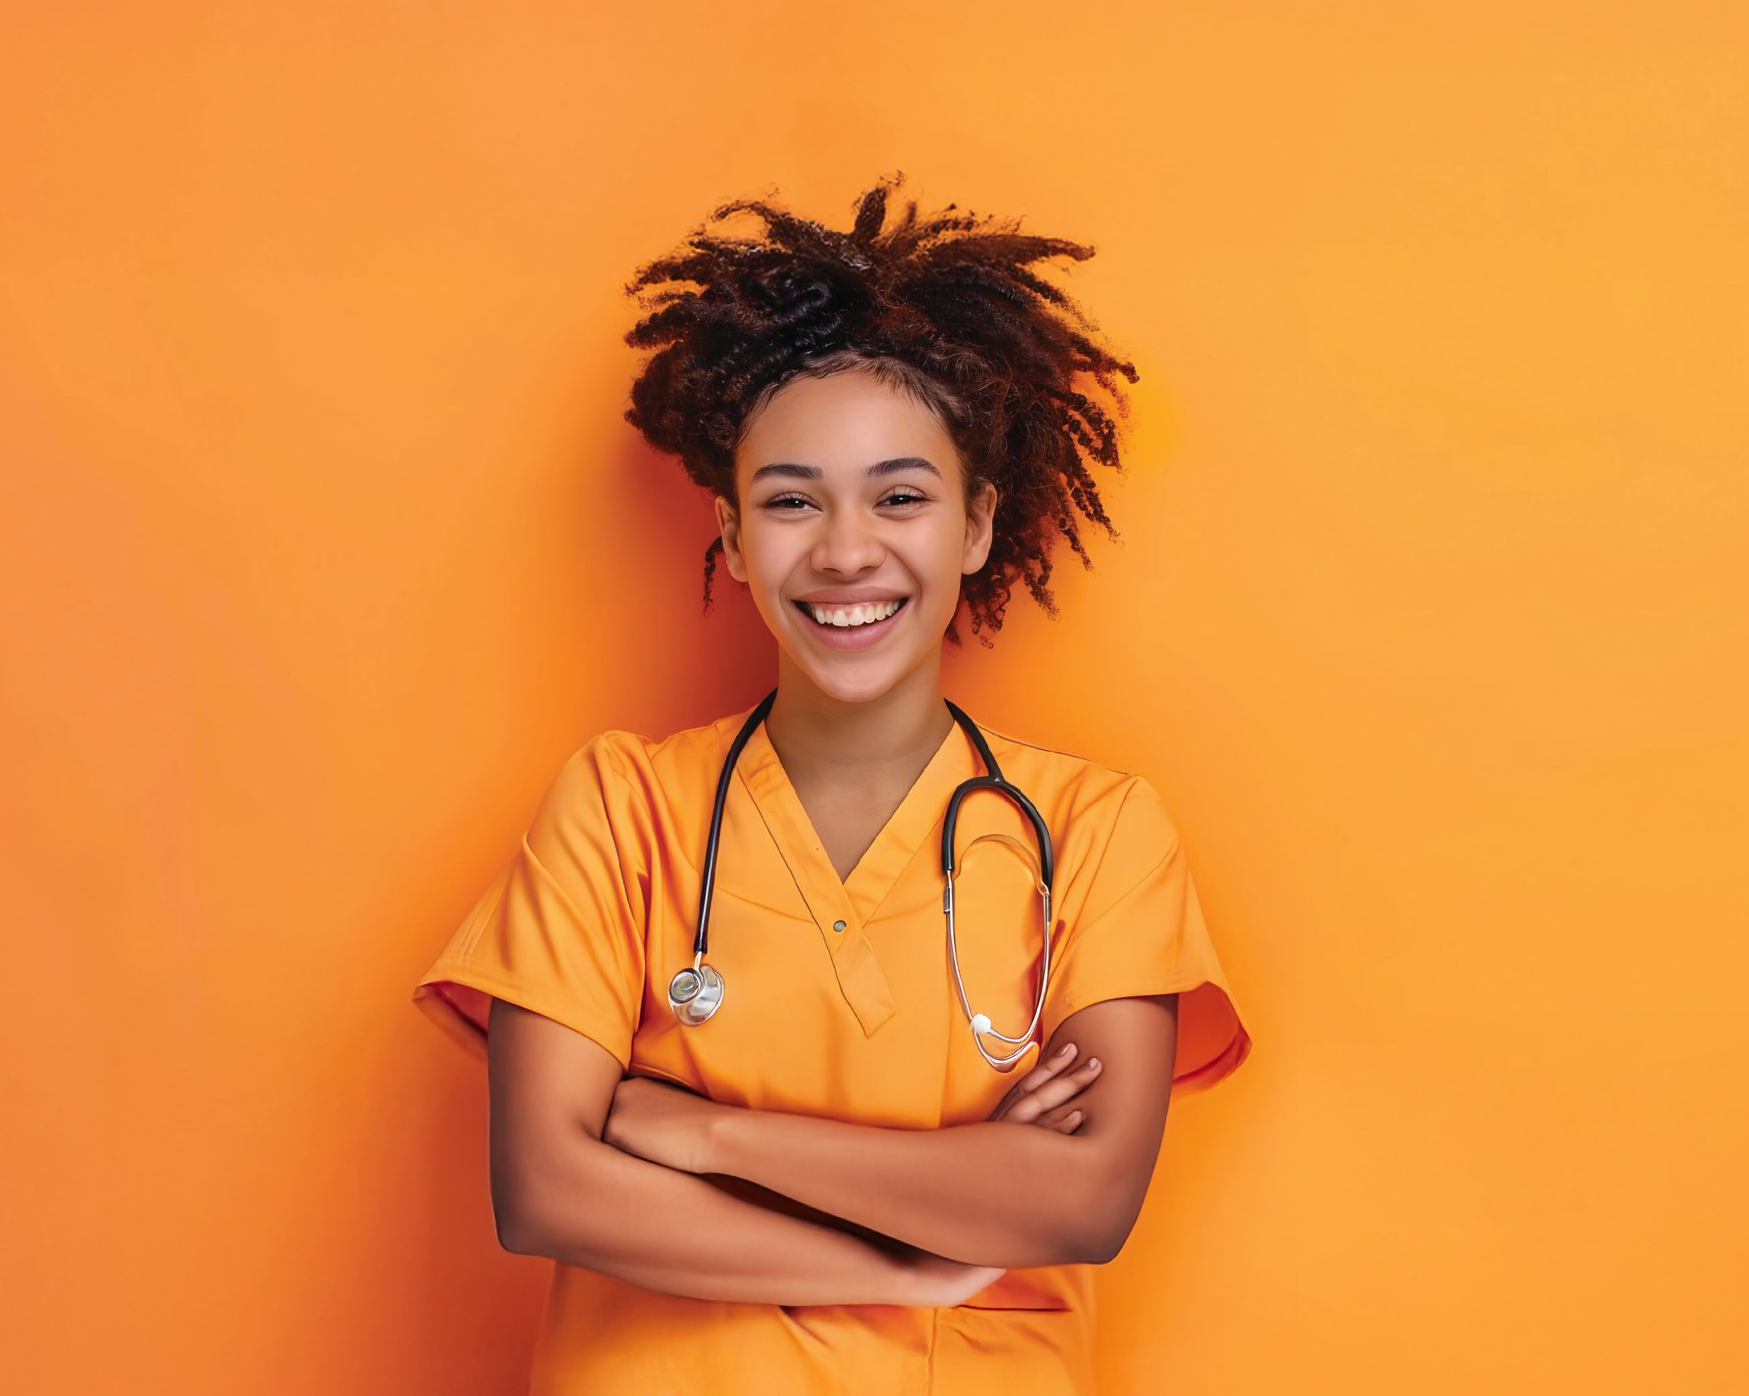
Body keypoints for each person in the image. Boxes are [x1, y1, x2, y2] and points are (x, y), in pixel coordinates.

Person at [408, 172, 1255, 1394]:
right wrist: (914, 1260)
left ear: (975, 526)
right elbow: (545, 1188)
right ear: (731, 534)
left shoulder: (1096, 834)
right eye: (790, 501)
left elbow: (1076, 1201)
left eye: (899, 497)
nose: (845, 550)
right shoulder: (619, 810)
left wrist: (695, 1129)